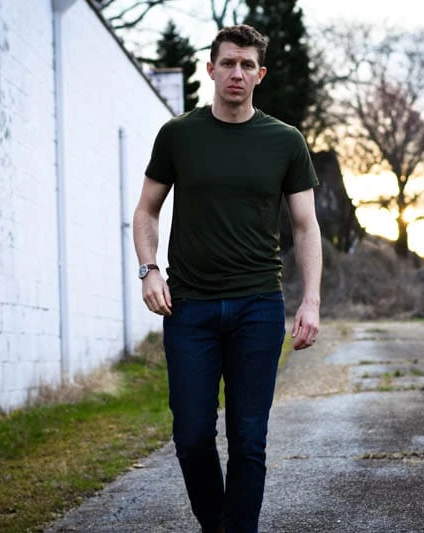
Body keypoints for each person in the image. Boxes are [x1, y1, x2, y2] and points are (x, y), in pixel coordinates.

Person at [132, 24, 322, 533]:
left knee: (248, 439)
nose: (237, 73)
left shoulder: (285, 141)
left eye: (247, 65)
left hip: (257, 306)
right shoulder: (178, 135)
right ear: (210, 69)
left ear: (260, 74)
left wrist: (311, 301)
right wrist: (149, 270)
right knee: (192, 436)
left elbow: (305, 225)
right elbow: (147, 209)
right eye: (228, 63)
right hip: (189, 308)